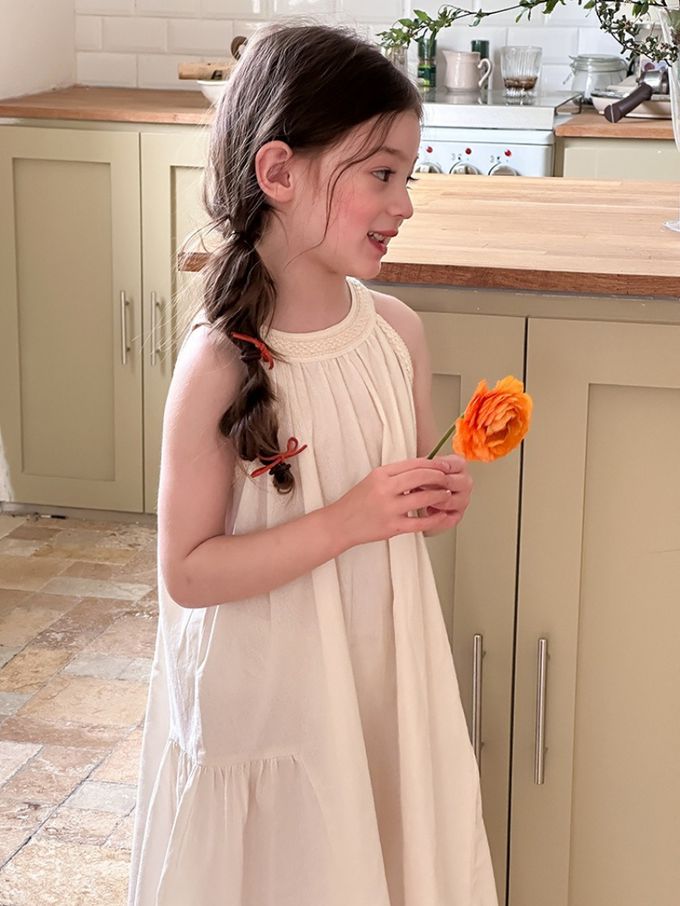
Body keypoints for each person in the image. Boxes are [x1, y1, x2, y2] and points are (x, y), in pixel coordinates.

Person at [127, 21, 498, 906]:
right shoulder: (218, 364)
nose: (405, 204)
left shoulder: (397, 334)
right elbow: (187, 572)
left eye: (408, 176)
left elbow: (389, 515)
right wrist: (348, 519)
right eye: (382, 174)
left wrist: (430, 499)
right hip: (271, 703)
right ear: (280, 172)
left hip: (377, 681)